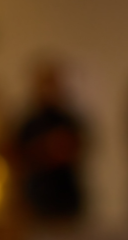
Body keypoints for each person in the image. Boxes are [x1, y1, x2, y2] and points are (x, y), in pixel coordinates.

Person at [11, 60, 85, 221]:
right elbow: (18, 157)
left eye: (52, 83)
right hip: (37, 199)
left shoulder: (68, 121)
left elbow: (79, 149)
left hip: (65, 198)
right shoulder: (28, 124)